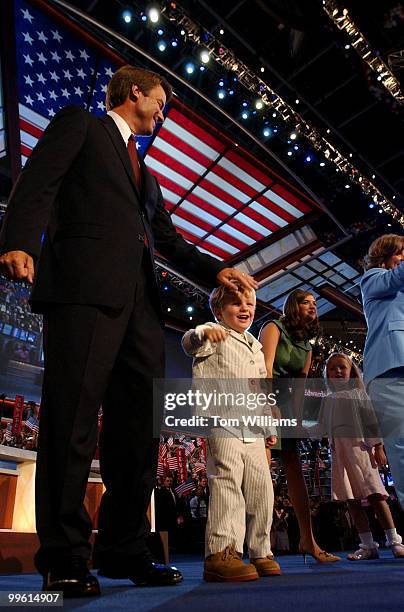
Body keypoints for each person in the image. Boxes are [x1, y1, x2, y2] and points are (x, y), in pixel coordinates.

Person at [0, 64, 256, 598]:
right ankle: (65, 557)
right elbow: (39, 178)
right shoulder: (82, 126)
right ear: (134, 90)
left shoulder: (150, 177)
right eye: (160, 100)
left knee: (139, 432)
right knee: (72, 420)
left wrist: (217, 271)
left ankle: (124, 548)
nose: (164, 111)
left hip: (142, 311)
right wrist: (20, 239)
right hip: (85, 290)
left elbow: (170, 241)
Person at [182, 284, 281, 582]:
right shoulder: (214, 332)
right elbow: (189, 343)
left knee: (262, 489)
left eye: (249, 303)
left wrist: (269, 425)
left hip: (253, 427)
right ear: (217, 311)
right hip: (222, 421)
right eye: (235, 303)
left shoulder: (255, 344)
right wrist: (201, 333)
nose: (244, 308)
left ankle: (261, 550)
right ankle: (222, 552)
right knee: (227, 482)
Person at [260, 289, 340, 563]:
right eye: (306, 302)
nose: (313, 306)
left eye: (315, 303)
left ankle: (309, 541)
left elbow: (301, 386)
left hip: (288, 407)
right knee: (262, 470)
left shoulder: (307, 343)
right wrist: (270, 405)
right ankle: (261, 546)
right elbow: (265, 369)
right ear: (292, 305)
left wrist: (298, 419)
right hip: (263, 398)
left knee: (295, 470)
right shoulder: (273, 327)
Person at [321, 352, 404, 560]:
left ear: (351, 372)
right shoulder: (328, 400)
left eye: (342, 367)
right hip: (340, 456)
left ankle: (394, 541)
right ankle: (367, 545)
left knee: (376, 496)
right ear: (326, 374)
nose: (338, 371)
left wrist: (378, 447)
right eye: (333, 368)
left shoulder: (359, 394)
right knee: (352, 501)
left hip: (362, 452)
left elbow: (371, 422)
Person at [360, 234, 404, 510]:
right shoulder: (373, 278)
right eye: (401, 253)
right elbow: (394, 279)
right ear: (385, 256)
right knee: (401, 451)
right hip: (389, 372)